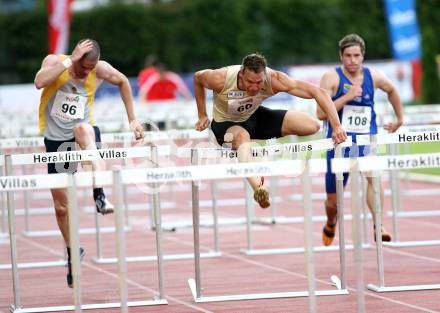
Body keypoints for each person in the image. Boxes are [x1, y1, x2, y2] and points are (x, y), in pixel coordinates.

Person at [34, 38, 144, 287]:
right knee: (61, 207)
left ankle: (99, 193)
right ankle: (73, 252)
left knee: (84, 130)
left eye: (91, 68)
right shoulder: (56, 62)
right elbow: (39, 82)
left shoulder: (99, 68)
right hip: (56, 139)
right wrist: (69, 62)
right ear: (76, 57)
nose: (87, 73)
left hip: (83, 133)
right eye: (83, 67)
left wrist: (133, 120)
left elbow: (124, 81)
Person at [194, 53, 347, 208]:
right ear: (241, 74)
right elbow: (198, 77)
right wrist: (202, 115)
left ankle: (246, 147)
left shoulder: (274, 79)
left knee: (311, 125)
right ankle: (259, 188)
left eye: (259, 82)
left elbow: (319, 92)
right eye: (249, 82)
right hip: (226, 124)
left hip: (253, 117)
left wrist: (337, 126)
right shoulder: (221, 78)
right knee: (242, 136)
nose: (254, 87)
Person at [317, 34, 403, 246]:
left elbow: (392, 90)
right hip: (339, 145)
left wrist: (400, 118)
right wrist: (347, 96)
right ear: (341, 56)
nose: (352, 60)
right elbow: (320, 113)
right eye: (348, 56)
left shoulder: (374, 76)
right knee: (333, 202)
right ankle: (331, 221)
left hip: (366, 142)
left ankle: (378, 224)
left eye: (356, 55)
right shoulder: (332, 78)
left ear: (363, 56)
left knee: (375, 180)